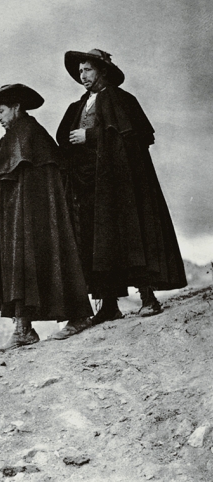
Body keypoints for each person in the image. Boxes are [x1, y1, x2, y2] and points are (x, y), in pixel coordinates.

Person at [56, 49, 187, 324]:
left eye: (88, 70)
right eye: (80, 71)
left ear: (102, 71)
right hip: (89, 185)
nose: (83, 76)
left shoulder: (122, 100)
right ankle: (108, 305)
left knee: (132, 233)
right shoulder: (78, 106)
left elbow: (133, 139)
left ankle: (148, 297)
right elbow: (65, 141)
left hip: (120, 185)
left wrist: (90, 135)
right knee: (98, 241)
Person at [0, 84, 94, 352]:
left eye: (0, 111)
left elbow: (40, 184)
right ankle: (23, 329)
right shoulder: (14, 136)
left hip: (34, 221)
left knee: (47, 260)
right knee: (18, 267)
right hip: (18, 220)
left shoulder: (29, 134)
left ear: (16, 107)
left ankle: (77, 317)